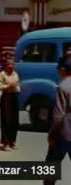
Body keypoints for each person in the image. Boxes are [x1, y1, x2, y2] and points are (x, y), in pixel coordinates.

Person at [43, 55, 71, 185]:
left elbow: (59, 115)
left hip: (64, 134)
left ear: (63, 69)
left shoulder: (63, 86)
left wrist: (52, 134)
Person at [0, 58, 20, 151]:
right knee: (6, 120)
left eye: (12, 64)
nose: (11, 66)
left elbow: (18, 86)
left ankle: (12, 141)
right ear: (6, 65)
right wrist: (8, 86)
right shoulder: (2, 74)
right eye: (9, 64)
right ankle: (5, 143)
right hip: (6, 97)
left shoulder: (15, 74)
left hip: (14, 96)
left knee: (15, 120)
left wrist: (16, 88)